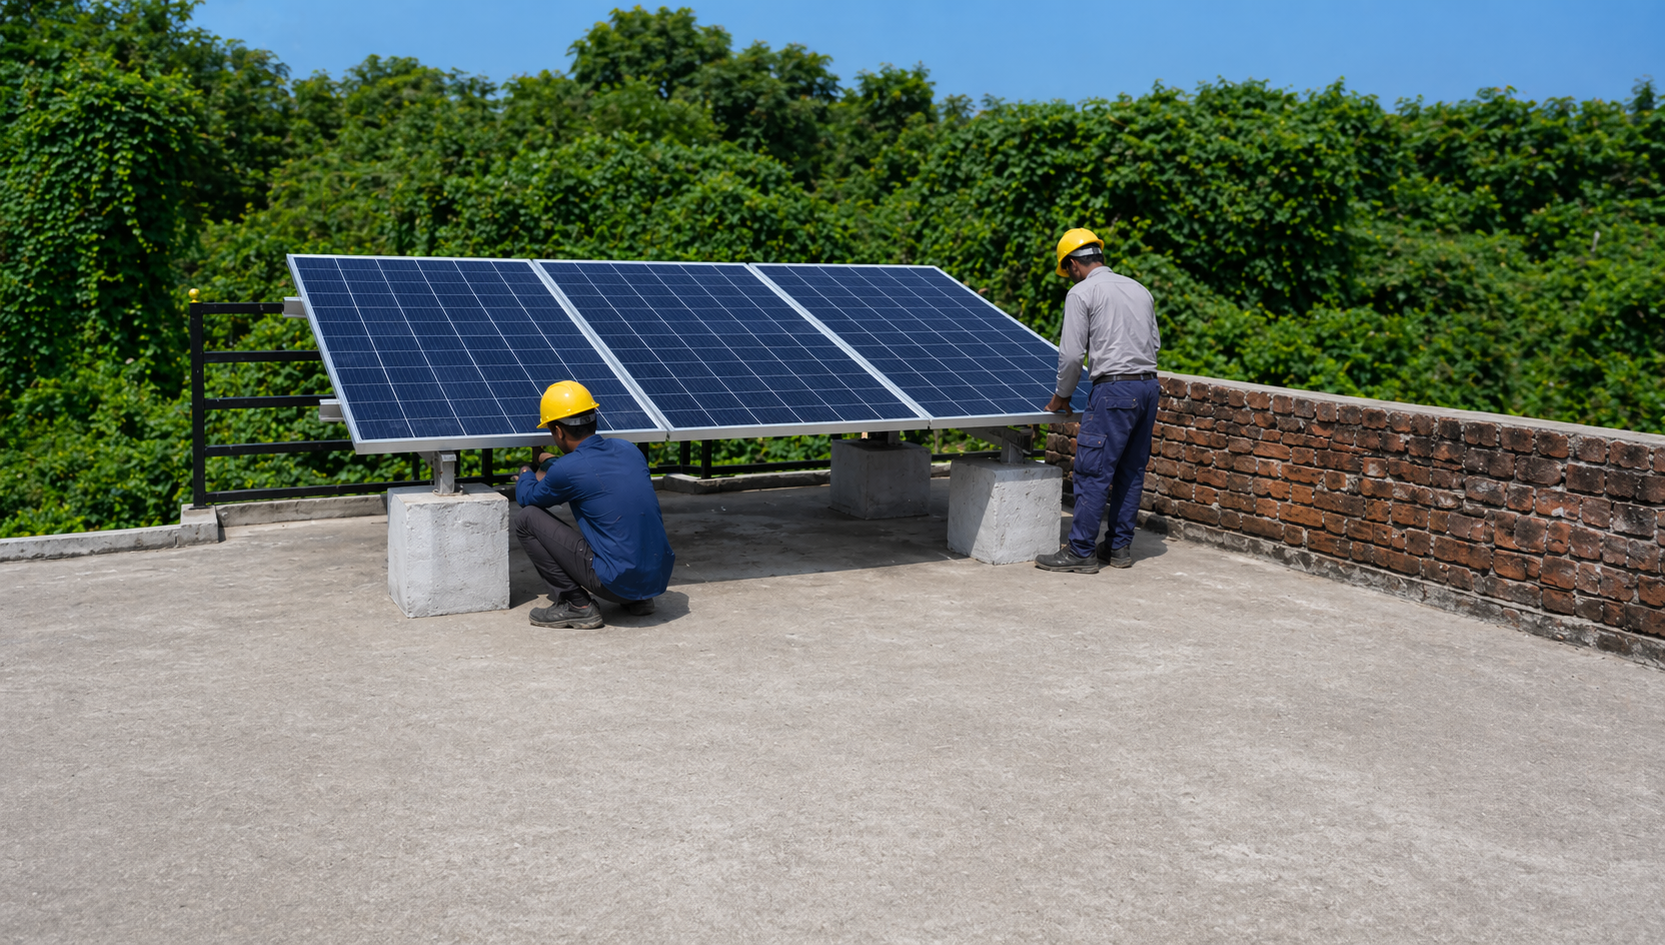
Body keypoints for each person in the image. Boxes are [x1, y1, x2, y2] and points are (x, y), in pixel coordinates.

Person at [1035, 228, 1161, 574]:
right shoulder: (1140, 289)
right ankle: (1119, 549)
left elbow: (1073, 355)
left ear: (1073, 264)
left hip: (1114, 391)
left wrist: (1062, 396)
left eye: (1067, 270)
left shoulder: (1082, 293)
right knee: (1131, 471)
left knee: (1092, 472)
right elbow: (1154, 343)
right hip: (1149, 388)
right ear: (1099, 255)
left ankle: (1080, 552)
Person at [514, 380, 675, 629]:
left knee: (527, 519)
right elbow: (588, 471)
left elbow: (528, 497)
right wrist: (552, 461)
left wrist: (526, 472)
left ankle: (576, 605)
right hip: (656, 578)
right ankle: (640, 600)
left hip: (615, 583)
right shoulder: (629, 450)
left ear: (557, 431)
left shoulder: (568, 469)